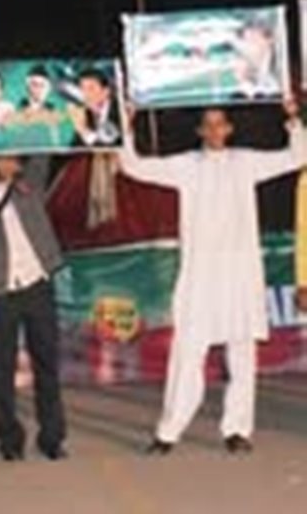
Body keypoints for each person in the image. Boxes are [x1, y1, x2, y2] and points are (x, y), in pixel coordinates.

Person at [118, 102, 304, 454]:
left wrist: (293, 117)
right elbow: (133, 166)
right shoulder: (186, 165)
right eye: (209, 124)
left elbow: (298, 155)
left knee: (242, 354)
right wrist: (126, 126)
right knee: (188, 351)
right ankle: (168, 432)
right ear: (200, 131)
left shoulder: (246, 162)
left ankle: (237, 430)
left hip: (240, 273)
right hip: (200, 275)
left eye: (221, 124)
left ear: (229, 129)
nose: (215, 130)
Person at [0, 155, 66, 462]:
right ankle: (9, 439)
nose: (8, 163)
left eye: (12, 157)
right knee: (1, 369)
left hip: (37, 284)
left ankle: (51, 437)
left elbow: (42, 151)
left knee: (47, 364)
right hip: (1, 290)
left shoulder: (31, 183)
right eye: (1, 158)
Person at [68, 68, 120, 147]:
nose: (85, 94)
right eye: (82, 88)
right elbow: (76, 147)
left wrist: (84, 131)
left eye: (91, 88)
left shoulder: (119, 112)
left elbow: (111, 146)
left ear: (106, 91)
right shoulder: (84, 112)